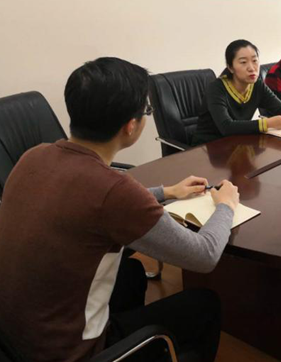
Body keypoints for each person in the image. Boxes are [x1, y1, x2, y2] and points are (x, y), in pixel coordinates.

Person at [0, 57, 240, 362]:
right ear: (131, 126)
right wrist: (226, 205)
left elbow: (93, 203)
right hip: (64, 352)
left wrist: (166, 192)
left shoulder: (34, 155)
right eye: (146, 111)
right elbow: (203, 256)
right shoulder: (114, 190)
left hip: (14, 337)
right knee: (203, 305)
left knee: (130, 273)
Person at [192, 39, 281, 145]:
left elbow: (280, 108)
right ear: (230, 67)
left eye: (254, 61)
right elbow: (226, 127)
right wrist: (267, 123)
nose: (251, 68)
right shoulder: (216, 88)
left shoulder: (257, 85)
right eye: (243, 62)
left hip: (237, 143)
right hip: (208, 148)